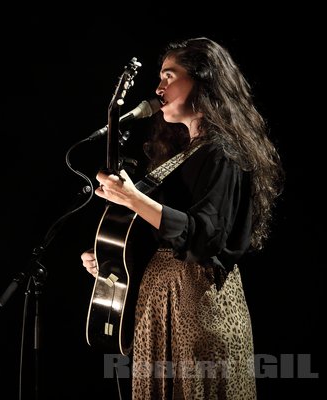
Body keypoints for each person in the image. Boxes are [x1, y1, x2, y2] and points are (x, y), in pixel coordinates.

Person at [80, 37, 283, 399]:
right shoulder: (181, 156)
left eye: (169, 76)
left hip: (198, 307)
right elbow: (161, 236)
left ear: (203, 80)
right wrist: (115, 260)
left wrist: (132, 197)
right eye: (160, 77)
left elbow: (203, 237)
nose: (159, 88)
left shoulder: (224, 153)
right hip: (158, 308)